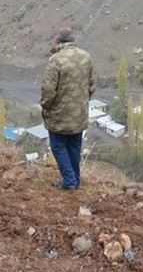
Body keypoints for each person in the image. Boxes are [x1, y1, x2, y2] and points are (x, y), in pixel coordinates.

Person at [40, 27, 95, 190]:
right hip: (79, 114)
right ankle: (75, 180)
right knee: (74, 146)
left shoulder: (56, 60)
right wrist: (81, 102)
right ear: (74, 40)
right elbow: (91, 86)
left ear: (57, 40)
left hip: (59, 114)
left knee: (58, 146)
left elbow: (48, 90)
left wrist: (46, 105)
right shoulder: (86, 57)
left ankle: (70, 180)